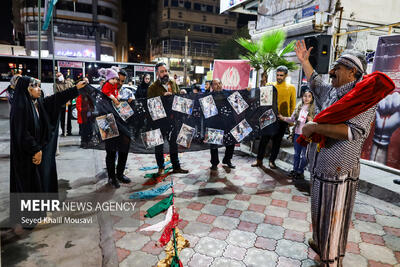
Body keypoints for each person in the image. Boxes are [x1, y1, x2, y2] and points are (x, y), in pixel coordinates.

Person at [295, 40, 395, 266]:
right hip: (320, 167)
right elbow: (314, 80)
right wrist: (304, 61)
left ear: (353, 72)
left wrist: (314, 128)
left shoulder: (365, 99)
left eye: (338, 67)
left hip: (339, 169)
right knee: (319, 212)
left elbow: (351, 132)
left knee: (333, 219)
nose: (331, 71)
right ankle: (320, 244)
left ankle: (331, 260)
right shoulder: (331, 90)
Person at [10, 76, 87, 230]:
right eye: (36, 87)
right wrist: (35, 149)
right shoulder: (20, 107)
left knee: (37, 184)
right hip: (26, 156)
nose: (39, 90)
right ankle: (29, 220)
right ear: (27, 89)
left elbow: (55, 99)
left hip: (34, 152)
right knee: (28, 187)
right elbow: (22, 133)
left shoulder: (36, 103)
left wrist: (75, 89)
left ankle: (37, 215)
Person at [148, 62, 189, 175]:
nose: (165, 73)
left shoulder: (173, 83)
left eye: (166, 71)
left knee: (174, 144)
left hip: (172, 119)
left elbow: (178, 99)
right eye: (162, 71)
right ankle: (160, 167)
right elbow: (150, 104)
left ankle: (176, 166)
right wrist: (163, 98)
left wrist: (181, 94)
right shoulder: (152, 87)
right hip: (159, 121)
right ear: (157, 73)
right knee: (159, 145)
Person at [252, 66, 296, 169]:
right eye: (277, 75)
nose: (279, 77)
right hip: (269, 118)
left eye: (281, 75)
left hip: (282, 119)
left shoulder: (291, 88)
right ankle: (259, 160)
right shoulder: (270, 85)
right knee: (264, 140)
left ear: (286, 75)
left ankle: (272, 161)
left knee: (277, 142)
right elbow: (262, 99)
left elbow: (293, 105)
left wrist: (291, 121)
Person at [99, 68, 131, 188]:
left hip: (123, 124)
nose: (120, 83)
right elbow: (98, 107)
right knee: (111, 151)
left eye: (122, 81)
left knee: (124, 149)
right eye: (118, 80)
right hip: (107, 122)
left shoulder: (127, 92)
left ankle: (120, 174)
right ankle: (112, 177)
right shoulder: (104, 90)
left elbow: (129, 109)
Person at [278, 90, 317, 179]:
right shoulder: (299, 107)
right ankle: (295, 170)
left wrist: (312, 120)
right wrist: (283, 118)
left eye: (309, 96)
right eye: (305, 96)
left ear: (312, 98)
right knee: (296, 154)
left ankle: (300, 170)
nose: (306, 98)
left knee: (305, 156)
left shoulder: (314, 109)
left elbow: (317, 124)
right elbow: (292, 119)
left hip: (307, 135)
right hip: (297, 134)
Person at [208, 79, 235, 170]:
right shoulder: (208, 97)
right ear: (212, 87)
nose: (218, 85)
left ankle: (227, 160)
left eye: (219, 83)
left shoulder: (228, 94)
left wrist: (247, 91)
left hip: (228, 122)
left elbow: (238, 103)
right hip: (214, 123)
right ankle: (214, 163)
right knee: (214, 144)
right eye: (215, 84)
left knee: (231, 142)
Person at [56, 72, 74, 136]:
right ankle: (64, 131)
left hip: (69, 104)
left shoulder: (69, 83)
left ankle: (69, 131)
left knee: (68, 118)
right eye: (57, 76)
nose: (59, 77)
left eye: (60, 75)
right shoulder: (56, 85)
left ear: (62, 75)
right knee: (62, 118)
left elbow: (73, 92)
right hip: (61, 104)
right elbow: (58, 94)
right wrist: (64, 100)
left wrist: (70, 100)